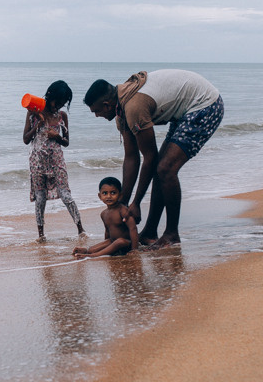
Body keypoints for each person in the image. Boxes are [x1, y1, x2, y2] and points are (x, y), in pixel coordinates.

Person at [84, 70, 224, 248]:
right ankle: (150, 232)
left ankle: (172, 234)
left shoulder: (134, 107)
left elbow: (150, 157)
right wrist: (123, 203)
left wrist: (136, 202)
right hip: (183, 111)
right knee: (160, 168)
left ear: (106, 105)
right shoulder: (121, 112)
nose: (97, 116)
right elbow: (131, 158)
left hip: (206, 104)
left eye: (96, 111)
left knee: (165, 168)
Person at [23, 80, 85, 240]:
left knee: (66, 195)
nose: (59, 106)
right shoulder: (33, 113)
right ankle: (41, 235)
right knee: (40, 198)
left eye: (63, 104)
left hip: (57, 160)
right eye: (58, 102)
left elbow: (66, 142)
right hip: (37, 161)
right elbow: (25, 139)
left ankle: (81, 230)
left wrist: (57, 136)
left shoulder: (62, 116)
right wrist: (38, 125)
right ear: (50, 96)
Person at [72, 177, 138, 259]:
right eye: (105, 193)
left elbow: (133, 228)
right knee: (93, 249)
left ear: (120, 195)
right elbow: (107, 231)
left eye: (113, 193)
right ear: (100, 196)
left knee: (120, 241)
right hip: (113, 241)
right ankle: (88, 251)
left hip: (126, 243)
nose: (109, 196)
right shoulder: (103, 214)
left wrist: (134, 249)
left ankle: (93, 255)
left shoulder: (123, 210)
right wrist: (105, 247)